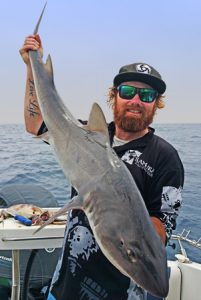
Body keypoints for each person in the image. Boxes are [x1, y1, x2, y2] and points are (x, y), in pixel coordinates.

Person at [19, 34, 184, 300]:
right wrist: (31, 65)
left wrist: (131, 237)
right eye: (128, 92)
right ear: (114, 96)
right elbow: (34, 123)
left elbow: (162, 222)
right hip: (65, 286)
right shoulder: (83, 136)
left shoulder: (165, 157)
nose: (136, 101)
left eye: (147, 95)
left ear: (156, 103)